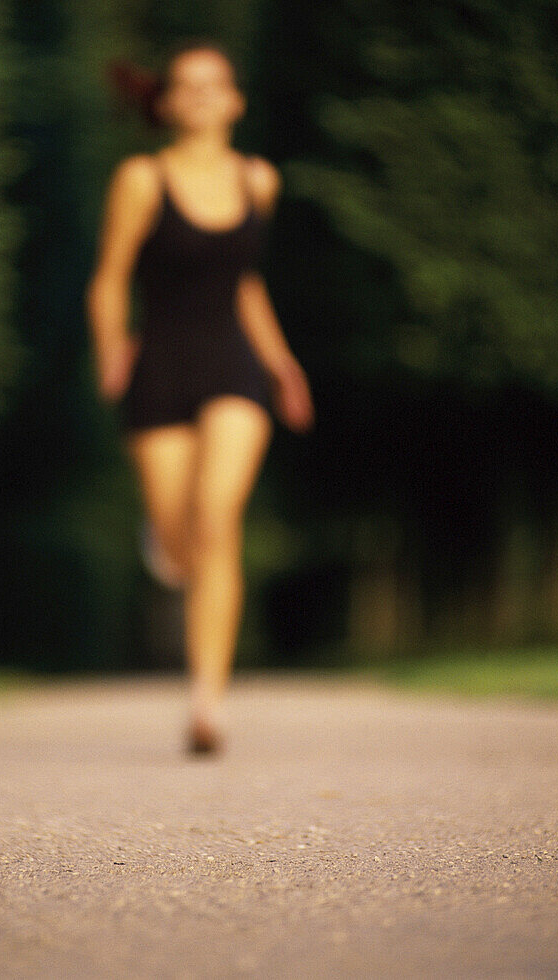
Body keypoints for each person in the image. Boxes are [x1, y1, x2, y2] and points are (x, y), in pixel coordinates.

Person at [85, 38, 315, 755]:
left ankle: (207, 702)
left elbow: (244, 281)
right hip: (160, 366)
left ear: (236, 100)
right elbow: (111, 275)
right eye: (188, 85)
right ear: (168, 102)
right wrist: (111, 351)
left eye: (216, 84)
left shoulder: (260, 181)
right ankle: (169, 537)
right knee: (182, 541)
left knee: (218, 516)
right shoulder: (141, 179)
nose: (203, 95)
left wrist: (281, 362)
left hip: (233, 367)